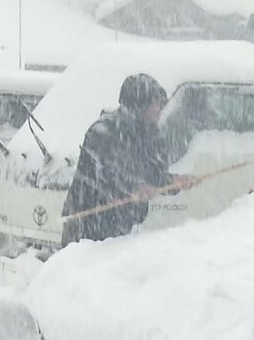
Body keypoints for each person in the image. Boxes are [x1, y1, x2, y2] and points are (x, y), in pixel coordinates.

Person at [60, 74, 197, 244]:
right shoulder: (102, 132)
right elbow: (108, 175)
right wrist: (133, 188)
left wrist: (173, 182)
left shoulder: (150, 135)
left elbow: (153, 174)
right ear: (140, 105)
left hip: (123, 228)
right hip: (87, 228)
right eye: (155, 103)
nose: (160, 108)